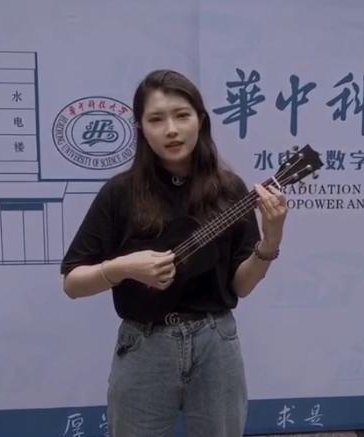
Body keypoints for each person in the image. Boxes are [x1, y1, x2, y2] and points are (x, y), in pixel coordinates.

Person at [60, 69, 288, 437]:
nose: (171, 130)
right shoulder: (120, 193)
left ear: (201, 120)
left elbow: (241, 286)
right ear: (140, 128)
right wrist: (121, 268)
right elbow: (72, 283)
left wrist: (271, 238)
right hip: (144, 344)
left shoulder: (230, 190)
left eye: (182, 115)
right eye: (156, 119)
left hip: (215, 343)